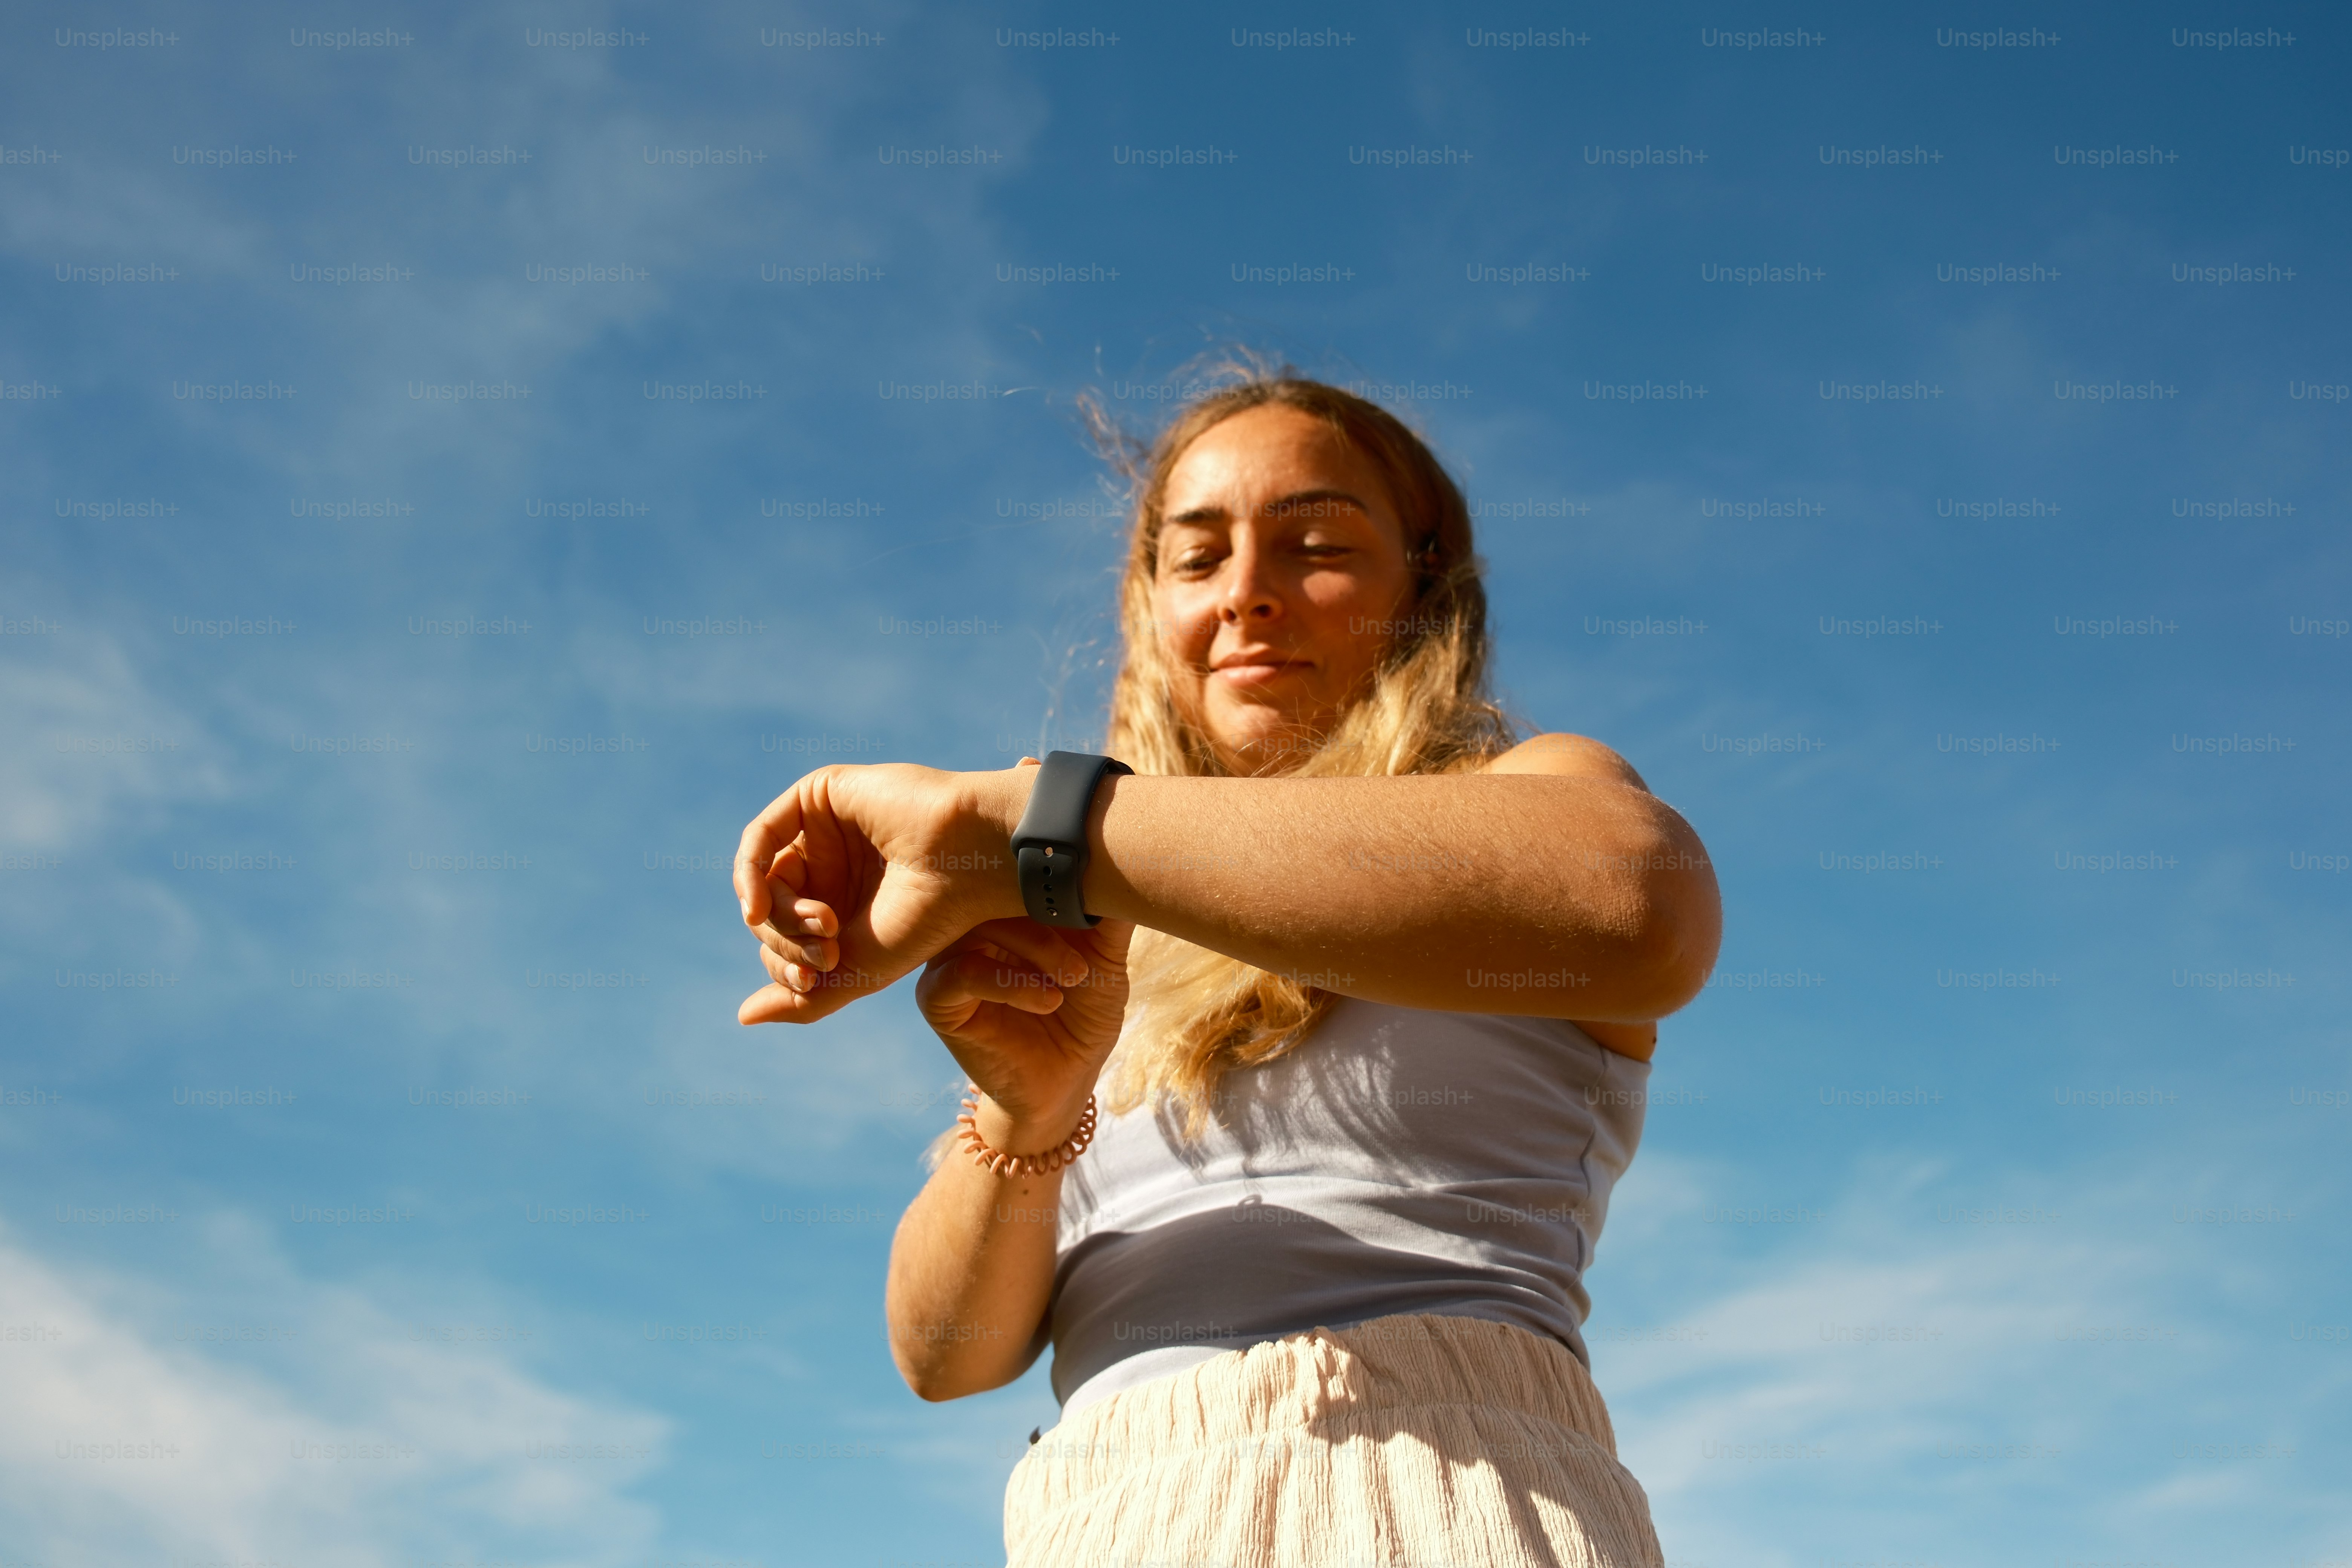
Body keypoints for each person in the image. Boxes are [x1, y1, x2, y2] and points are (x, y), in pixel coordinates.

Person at [732, 369, 1721, 1566]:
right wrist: (1028, 1111)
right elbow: (943, 1353)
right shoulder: (1098, 926)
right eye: (1197, 561)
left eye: (1314, 545)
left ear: (1425, 589)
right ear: (1151, 608)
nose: (1247, 596)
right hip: (1100, 1514)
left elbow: (1634, 906)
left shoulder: (1516, 802)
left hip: (1439, 1491)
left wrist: (1027, 829)